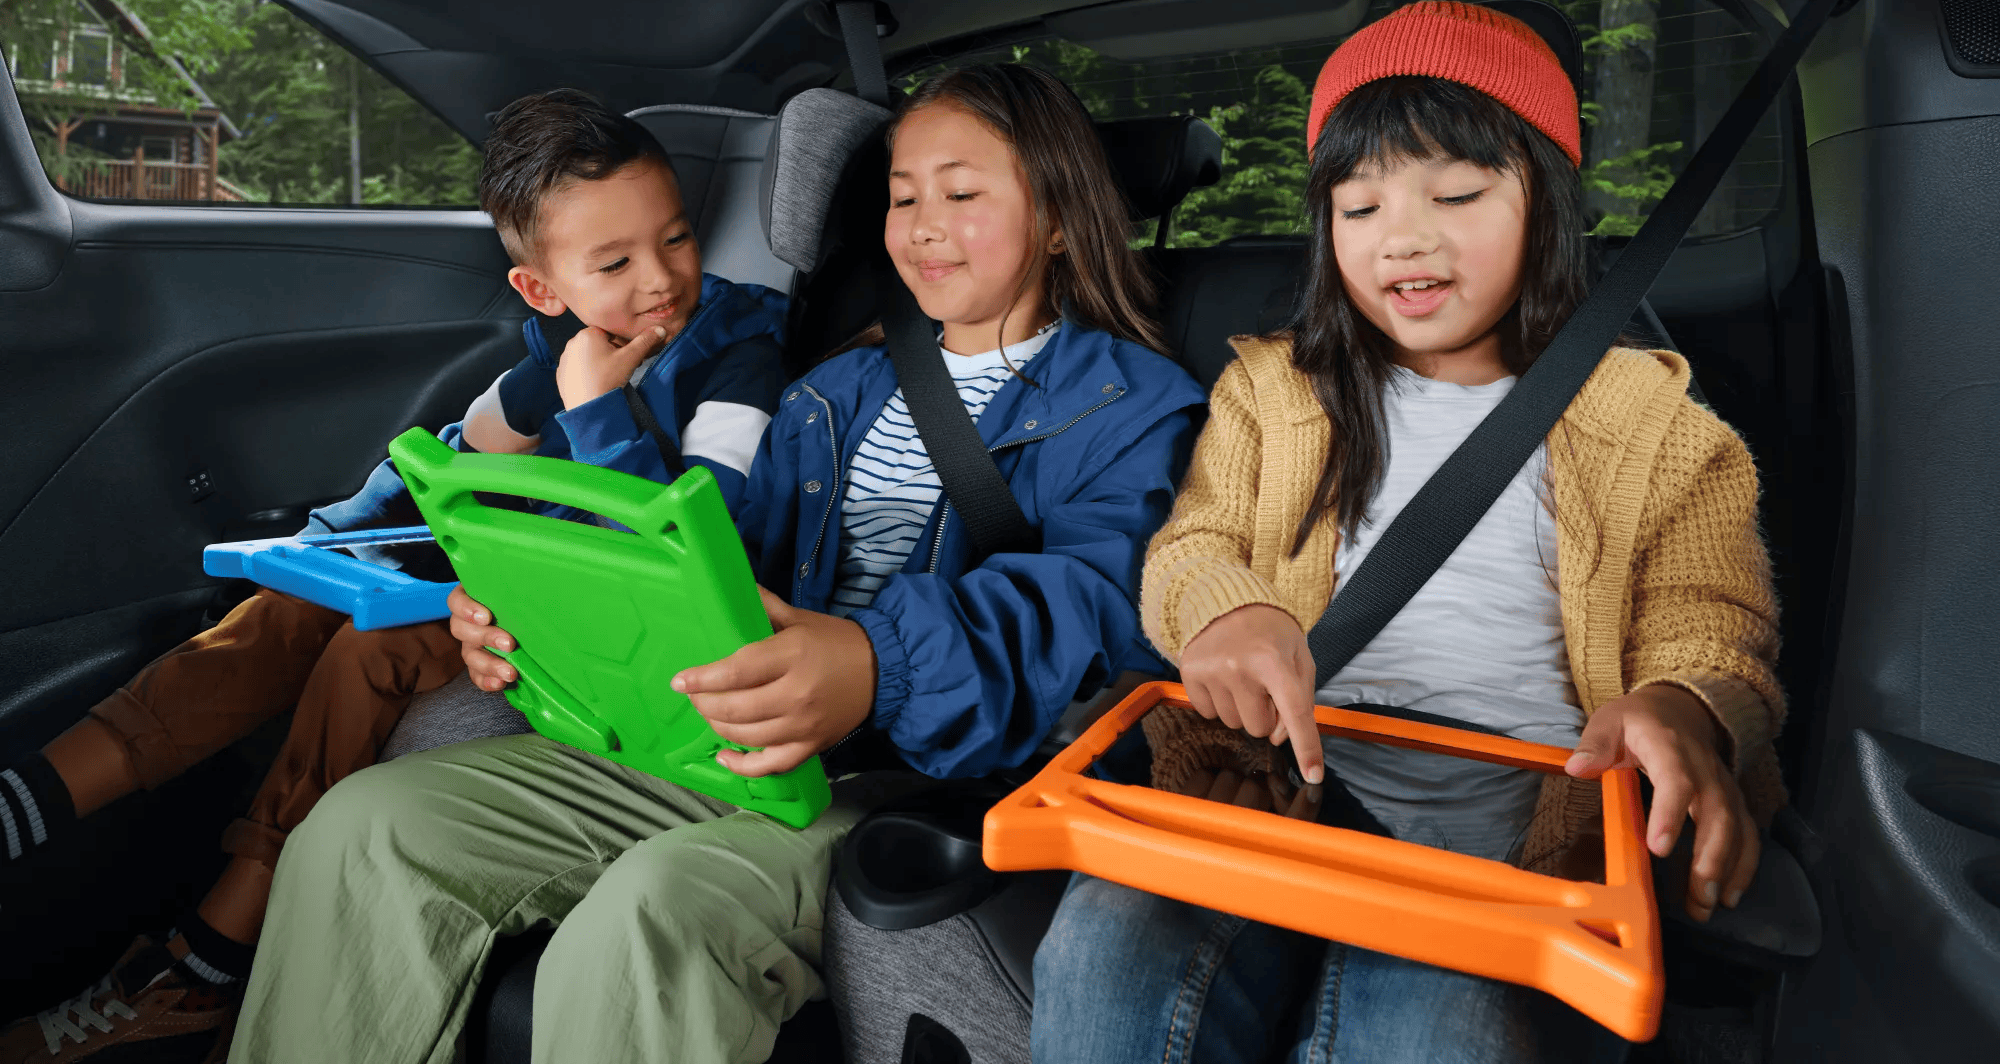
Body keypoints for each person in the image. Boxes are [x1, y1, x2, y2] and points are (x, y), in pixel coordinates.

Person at [223, 63, 1206, 1064]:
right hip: (718, 741)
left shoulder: (1133, 405)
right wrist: (531, 614)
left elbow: (1096, 606)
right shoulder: (835, 386)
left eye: (960, 194)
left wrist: (873, 662)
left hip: (904, 773)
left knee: (652, 912)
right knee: (363, 829)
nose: (919, 223)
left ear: (1054, 216)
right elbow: (713, 564)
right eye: (902, 195)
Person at [1031, 4, 1786, 1062]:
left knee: (1433, 1029)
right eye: (1358, 203)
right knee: (1098, 950)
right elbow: (1189, 548)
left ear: (1548, 202)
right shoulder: (1270, 393)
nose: (1403, 235)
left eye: (1458, 193)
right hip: (1265, 793)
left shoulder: (1651, 421)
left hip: (1498, 845)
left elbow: (1711, 617)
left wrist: (1679, 705)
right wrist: (1230, 610)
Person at [2, 88, 786, 1063]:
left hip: (618, 628)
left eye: (674, 239)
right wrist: (329, 543)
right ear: (541, 291)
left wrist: (599, 413)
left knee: (361, 655)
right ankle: (27, 797)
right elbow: (464, 454)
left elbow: (701, 540)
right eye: (615, 262)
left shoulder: (739, 347)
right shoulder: (565, 347)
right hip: (531, 589)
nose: (663, 279)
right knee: (279, 617)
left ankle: (205, 962)